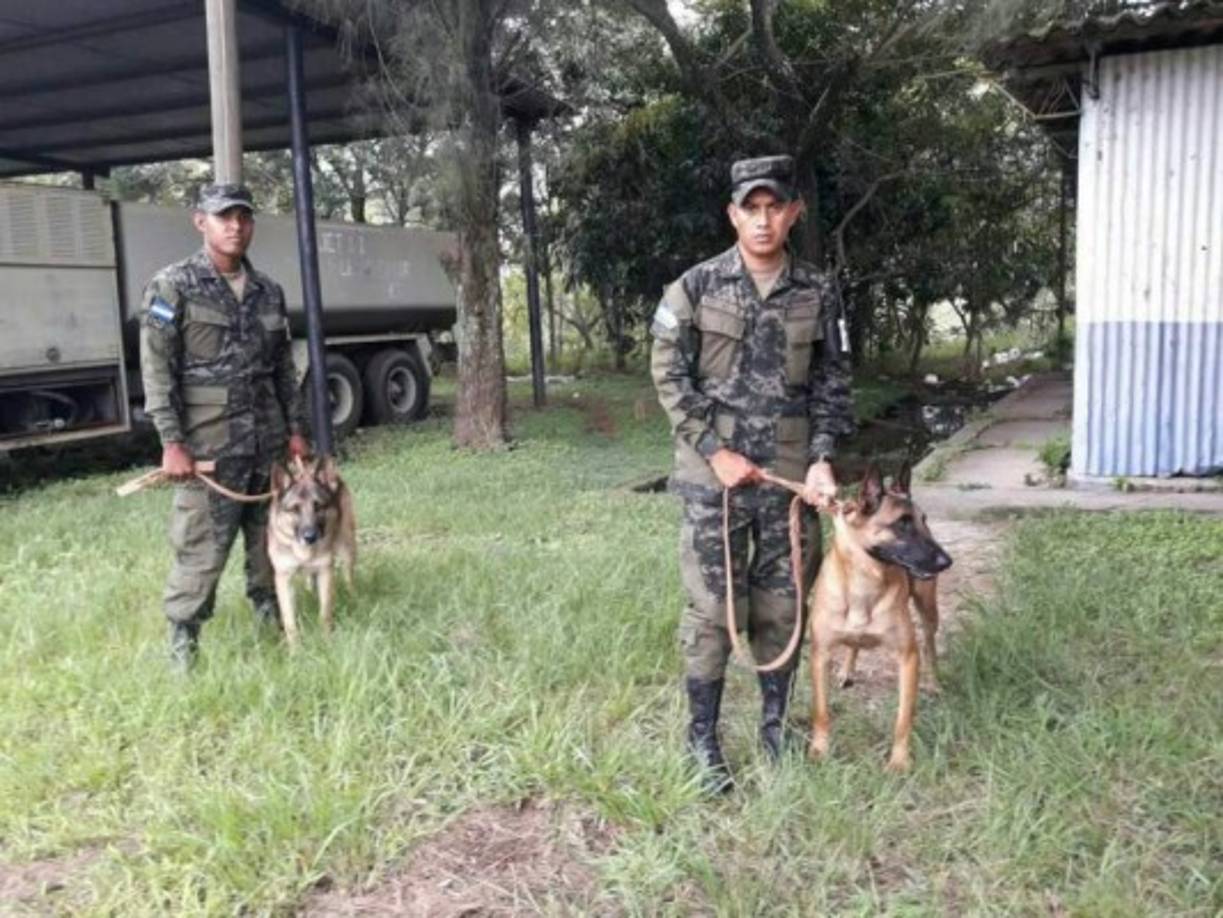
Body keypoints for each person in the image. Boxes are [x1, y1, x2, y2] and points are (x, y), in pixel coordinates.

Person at [650, 155, 854, 791]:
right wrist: (715, 450)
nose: (763, 220)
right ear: (732, 214)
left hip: (789, 479)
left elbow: (833, 382)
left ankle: (773, 729)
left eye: (775, 207)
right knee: (714, 608)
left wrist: (822, 458)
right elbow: (668, 376)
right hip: (715, 481)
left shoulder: (819, 292)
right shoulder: (695, 288)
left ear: (793, 213)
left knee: (783, 605)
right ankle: (703, 741)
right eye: (751, 208)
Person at [140, 183, 308, 670]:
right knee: (201, 546)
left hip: (267, 443)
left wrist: (295, 430)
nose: (236, 226)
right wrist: (171, 442)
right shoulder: (172, 286)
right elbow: (157, 370)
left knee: (268, 540)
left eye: (244, 217)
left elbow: (282, 370)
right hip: (208, 446)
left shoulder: (267, 291)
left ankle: (269, 617)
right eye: (224, 217)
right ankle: (183, 644)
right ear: (201, 222)